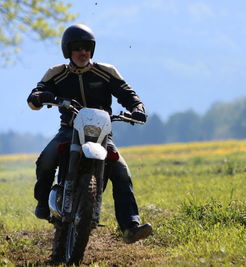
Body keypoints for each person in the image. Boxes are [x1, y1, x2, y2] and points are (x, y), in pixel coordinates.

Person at [27, 24, 152, 244]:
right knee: (46, 161)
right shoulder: (56, 73)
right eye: (76, 48)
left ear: (92, 49)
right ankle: (42, 204)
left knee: (122, 172)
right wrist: (41, 96)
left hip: (102, 134)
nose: (82, 52)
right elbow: (34, 96)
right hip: (69, 130)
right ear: (67, 50)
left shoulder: (106, 71)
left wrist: (138, 109)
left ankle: (130, 226)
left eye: (86, 47)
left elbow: (129, 94)